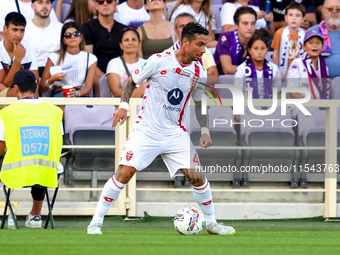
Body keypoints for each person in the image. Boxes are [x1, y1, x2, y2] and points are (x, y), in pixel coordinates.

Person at [86, 22, 236, 236]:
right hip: (146, 130)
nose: (204, 50)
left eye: (205, 45)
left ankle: (211, 223)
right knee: (123, 174)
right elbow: (131, 82)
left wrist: (205, 130)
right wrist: (123, 107)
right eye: (200, 45)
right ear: (185, 42)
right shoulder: (158, 61)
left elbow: (200, 102)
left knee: (197, 177)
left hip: (176, 133)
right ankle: (95, 222)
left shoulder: (199, 72)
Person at [0, 70, 63, 228]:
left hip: (14, 171)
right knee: (38, 166)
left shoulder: (7, 113)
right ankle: (36, 215)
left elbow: (1, 147)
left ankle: (9, 211)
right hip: (48, 170)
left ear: (15, 88)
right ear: (36, 86)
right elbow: (58, 141)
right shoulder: (55, 111)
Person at [81, 0, 127, 97]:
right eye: (101, 1)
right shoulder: (87, 28)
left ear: (115, 3)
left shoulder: (123, 29)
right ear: (96, 5)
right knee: (99, 81)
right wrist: (107, 78)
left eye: (109, 1)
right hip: (97, 73)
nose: (105, 4)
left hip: (120, 72)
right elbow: (88, 59)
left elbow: (128, 57)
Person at [40, 22, 97, 97]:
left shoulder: (90, 58)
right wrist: (52, 79)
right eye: (68, 35)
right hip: (60, 93)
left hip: (80, 94)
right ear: (63, 40)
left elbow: (88, 88)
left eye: (76, 34)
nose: (72, 37)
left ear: (81, 37)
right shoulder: (54, 57)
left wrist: (76, 94)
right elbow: (42, 88)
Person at [287, 30, 330, 118]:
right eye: (310, 43)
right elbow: (292, 92)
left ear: (322, 47)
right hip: (300, 106)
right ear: (304, 47)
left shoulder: (324, 68)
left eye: (318, 43)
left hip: (320, 107)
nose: (314, 45)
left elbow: (326, 92)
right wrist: (311, 104)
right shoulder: (297, 64)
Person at [165, 12, 218, 83]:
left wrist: (181, 75)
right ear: (175, 30)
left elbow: (214, 78)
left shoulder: (204, 51)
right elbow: (166, 79)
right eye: (182, 26)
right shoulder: (166, 54)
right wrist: (203, 75)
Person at [22, 0, 63, 78]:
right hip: (30, 75)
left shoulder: (61, 28)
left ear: (52, 6)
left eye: (47, 2)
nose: (44, 6)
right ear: (32, 6)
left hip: (57, 75)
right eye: (40, 2)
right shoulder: (24, 29)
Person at [235, 30, 281, 99]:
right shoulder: (241, 69)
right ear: (249, 50)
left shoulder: (274, 68)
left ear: (267, 50)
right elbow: (237, 95)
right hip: (247, 107)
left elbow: (277, 94)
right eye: (255, 49)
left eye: (262, 48)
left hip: (270, 107)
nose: (259, 52)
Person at [0, 12, 39, 93]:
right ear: (5, 29)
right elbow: (4, 86)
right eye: (15, 30)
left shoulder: (30, 50)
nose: (19, 35)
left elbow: (34, 84)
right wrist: (18, 59)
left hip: (25, 96)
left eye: (22, 30)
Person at [214, 6, 256, 75]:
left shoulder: (256, 39)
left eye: (253, 23)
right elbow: (227, 69)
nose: (250, 28)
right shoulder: (226, 38)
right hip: (225, 82)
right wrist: (253, 71)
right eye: (245, 23)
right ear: (236, 25)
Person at [106, 27, 146, 97]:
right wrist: (140, 90)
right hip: (121, 105)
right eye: (126, 40)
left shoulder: (146, 63)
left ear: (139, 43)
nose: (130, 43)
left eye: (133, 39)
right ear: (121, 45)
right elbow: (116, 92)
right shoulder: (114, 63)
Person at [271, 2, 306, 81]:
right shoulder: (279, 33)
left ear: (303, 19)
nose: (294, 18)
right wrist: (277, 72)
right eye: (291, 15)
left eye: (297, 15)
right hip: (283, 72)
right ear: (286, 18)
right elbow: (276, 53)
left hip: (300, 73)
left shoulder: (306, 34)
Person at [309, 0, 340, 78]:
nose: (334, 12)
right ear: (323, 12)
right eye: (330, 9)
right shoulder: (311, 33)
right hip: (321, 83)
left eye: (338, 9)